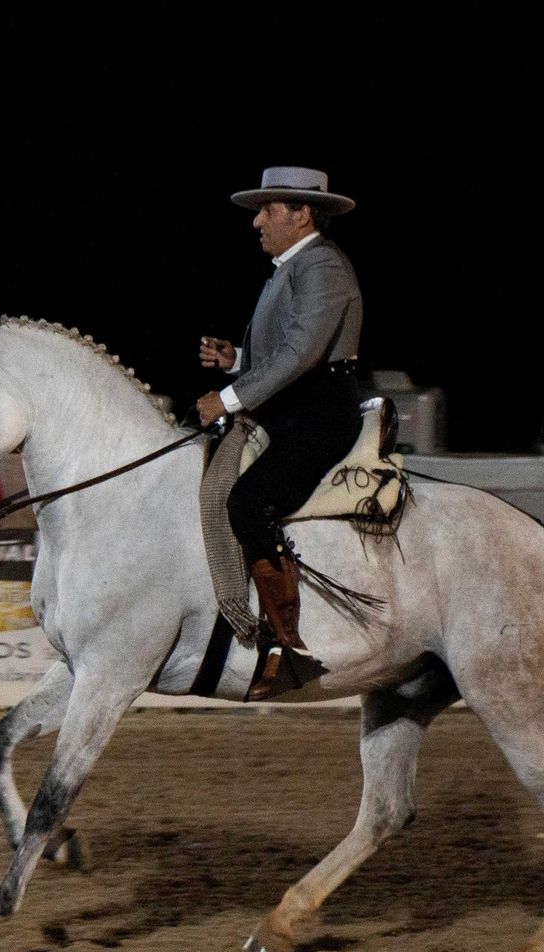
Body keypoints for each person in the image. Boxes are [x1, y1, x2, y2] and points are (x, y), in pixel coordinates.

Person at [195, 166, 362, 685]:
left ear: (302, 213)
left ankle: (288, 647)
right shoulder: (293, 267)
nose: (257, 222)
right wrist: (238, 359)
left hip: (319, 414)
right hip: (290, 409)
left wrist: (227, 397)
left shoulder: (323, 267)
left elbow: (300, 355)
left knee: (248, 501)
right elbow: (283, 352)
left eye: (267, 211)